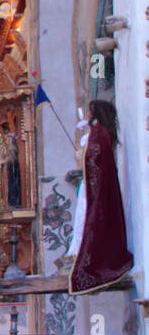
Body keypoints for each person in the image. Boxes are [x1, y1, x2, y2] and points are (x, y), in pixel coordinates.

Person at [70, 100, 134, 294]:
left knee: (90, 221)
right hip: (92, 187)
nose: (87, 115)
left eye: (90, 111)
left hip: (94, 190)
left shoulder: (99, 135)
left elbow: (94, 157)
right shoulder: (99, 133)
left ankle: (94, 265)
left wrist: (83, 153)